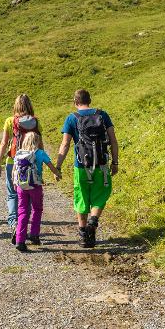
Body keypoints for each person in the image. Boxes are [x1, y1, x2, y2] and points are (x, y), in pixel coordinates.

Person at [55, 89, 119, 248]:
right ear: (89, 100)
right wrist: (115, 162)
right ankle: (93, 220)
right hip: (102, 164)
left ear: (75, 102)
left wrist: (58, 166)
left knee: (81, 197)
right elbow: (113, 140)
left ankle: (84, 235)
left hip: (81, 167)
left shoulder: (71, 118)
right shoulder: (102, 115)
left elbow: (65, 145)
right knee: (100, 194)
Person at [0, 94, 40, 238]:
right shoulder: (35, 121)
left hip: (13, 163)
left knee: (12, 193)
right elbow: (41, 145)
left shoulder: (10, 121)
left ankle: (14, 223)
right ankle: (23, 225)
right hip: (32, 163)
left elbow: (4, 143)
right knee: (28, 194)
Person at [12, 131, 61, 252]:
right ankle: (34, 235)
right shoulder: (40, 153)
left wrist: (14, 182)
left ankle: (20, 240)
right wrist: (57, 174)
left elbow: (14, 170)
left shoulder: (18, 153)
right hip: (35, 186)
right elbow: (51, 166)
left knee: (22, 211)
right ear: (37, 141)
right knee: (37, 209)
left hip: (21, 186)